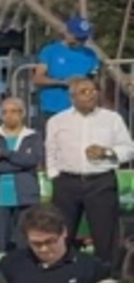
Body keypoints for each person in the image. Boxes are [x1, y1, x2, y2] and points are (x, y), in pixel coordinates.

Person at [45, 75, 134, 259]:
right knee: (62, 232)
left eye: (94, 91)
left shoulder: (112, 119)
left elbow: (129, 148)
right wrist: (54, 175)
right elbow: (50, 151)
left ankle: (108, 276)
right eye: (84, 92)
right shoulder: (57, 121)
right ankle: (61, 273)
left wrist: (107, 152)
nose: (91, 95)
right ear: (73, 97)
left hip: (101, 182)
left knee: (105, 235)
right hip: (67, 182)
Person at [0, 97, 43, 253]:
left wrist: (5, 153)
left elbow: (33, 160)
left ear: (22, 114)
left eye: (13, 111)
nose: (9, 115)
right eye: (4, 112)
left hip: (26, 198)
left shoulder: (33, 137)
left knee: (24, 245)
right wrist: (20, 165)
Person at [30, 16, 101, 121]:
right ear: (68, 33)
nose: (82, 41)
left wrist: (83, 83)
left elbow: (95, 80)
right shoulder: (50, 51)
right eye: (78, 37)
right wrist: (63, 82)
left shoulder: (90, 55)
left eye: (84, 38)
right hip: (53, 109)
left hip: (82, 110)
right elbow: (38, 79)